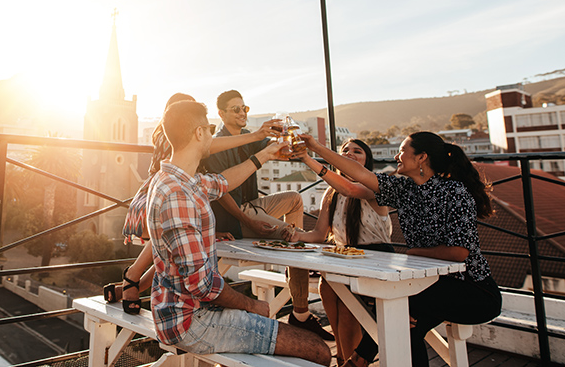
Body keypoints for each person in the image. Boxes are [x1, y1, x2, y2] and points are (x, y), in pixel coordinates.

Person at [146, 100, 331, 365]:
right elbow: (202, 285)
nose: (212, 134)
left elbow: (222, 182)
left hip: (177, 311)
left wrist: (266, 154)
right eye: (209, 129)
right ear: (199, 133)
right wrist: (252, 305)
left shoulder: (176, 180)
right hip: (193, 322)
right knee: (319, 350)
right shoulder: (178, 195)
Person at [298, 131, 502, 367]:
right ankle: (358, 360)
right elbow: (357, 177)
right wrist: (314, 148)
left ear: (421, 158)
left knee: (399, 308)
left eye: (403, 151)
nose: (396, 156)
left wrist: (415, 253)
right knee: (405, 323)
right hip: (429, 287)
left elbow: (459, 253)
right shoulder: (404, 189)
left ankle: (357, 360)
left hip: (473, 291)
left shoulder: (454, 192)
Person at [104, 93, 281, 313]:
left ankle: (134, 285)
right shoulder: (167, 136)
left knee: (169, 252)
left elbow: (218, 179)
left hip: (184, 190)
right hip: (160, 193)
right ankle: (131, 277)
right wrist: (255, 136)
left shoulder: (188, 161)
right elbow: (213, 146)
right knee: (167, 238)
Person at [202, 89, 333, 340]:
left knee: (294, 199)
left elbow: (277, 149)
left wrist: (291, 142)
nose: (242, 113)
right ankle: (301, 310)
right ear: (221, 113)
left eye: (245, 108)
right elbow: (220, 192)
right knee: (294, 238)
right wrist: (248, 221)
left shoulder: (248, 137)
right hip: (236, 215)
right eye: (236, 109)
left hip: (253, 205)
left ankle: (293, 262)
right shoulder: (219, 143)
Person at [289, 139, 392, 363]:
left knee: (348, 306)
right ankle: (343, 358)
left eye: (357, 151)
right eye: (345, 151)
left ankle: (351, 361)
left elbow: (350, 188)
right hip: (344, 257)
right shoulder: (331, 192)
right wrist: (295, 235)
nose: (350, 154)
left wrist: (308, 158)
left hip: (375, 259)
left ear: (367, 160)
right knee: (326, 287)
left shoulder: (376, 186)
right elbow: (318, 234)